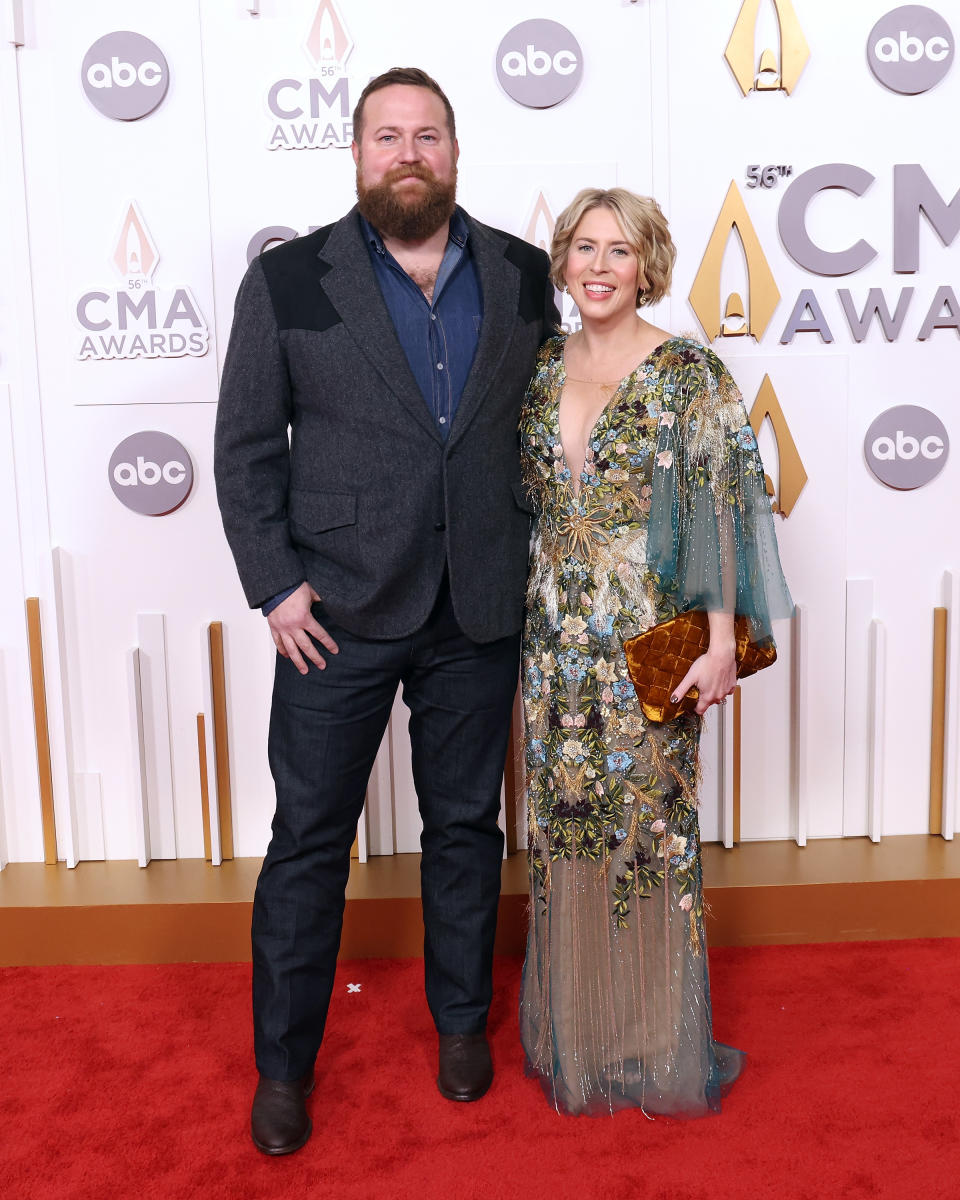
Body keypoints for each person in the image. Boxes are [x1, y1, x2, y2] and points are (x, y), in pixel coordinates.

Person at [214, 67, 559, 1155]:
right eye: (386, 137)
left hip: (477, 604)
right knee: (309, 840)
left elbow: (554, 416)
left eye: (427, 136)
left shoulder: (519, 271)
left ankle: (461, 1028)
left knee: (466, 828)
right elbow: (244, 445)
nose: (407, 154)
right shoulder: (292, 280)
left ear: (454, 152)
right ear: (356, 153)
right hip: (337, 609)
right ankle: (284, 1070)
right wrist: (275, 583)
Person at [517, 188, 793, 1116]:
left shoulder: (687, 373)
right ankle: (582, 1036)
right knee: (570, 834)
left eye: (620, 251)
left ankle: (649, 1043)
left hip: (653, 644)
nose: (599, 266)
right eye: (584, 247)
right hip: (554, 645)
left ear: (648, 266)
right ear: (561, 261)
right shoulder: (542, 362)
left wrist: (721, 645)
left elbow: (722, 511)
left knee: (651, 834)